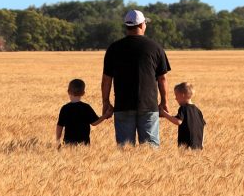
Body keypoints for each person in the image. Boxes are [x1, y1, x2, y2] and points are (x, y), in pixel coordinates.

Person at [101, 9, 171, 147]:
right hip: (149, 105)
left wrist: (105, 102)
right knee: (151, 149)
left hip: (123, 105)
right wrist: (164, 102)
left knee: (125, 149)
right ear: (141, 25)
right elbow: (162, 79)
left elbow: (106, 80)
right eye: (145, 22)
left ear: (127, 26)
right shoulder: (155, 47)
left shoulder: (114, 48)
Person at [56, 79, 112, 146]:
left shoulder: (64, 108)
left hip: (68, 143)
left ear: (68, 91)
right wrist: (105, 115)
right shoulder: (86, 107)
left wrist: (57, 140)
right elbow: (94, 123)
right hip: (84, 143)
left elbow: (59, 126)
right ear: (83, 93)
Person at [160, 82, 206, 149]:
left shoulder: (183, 108)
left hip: (186, 144)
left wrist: (164, 113)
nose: (175, 98)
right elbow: (203, 126)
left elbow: (178, 121)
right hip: (198, 144)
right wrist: (202, 142)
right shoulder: (198, 110)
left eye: (176, 95)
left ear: (182, 95)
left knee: (186, 158)